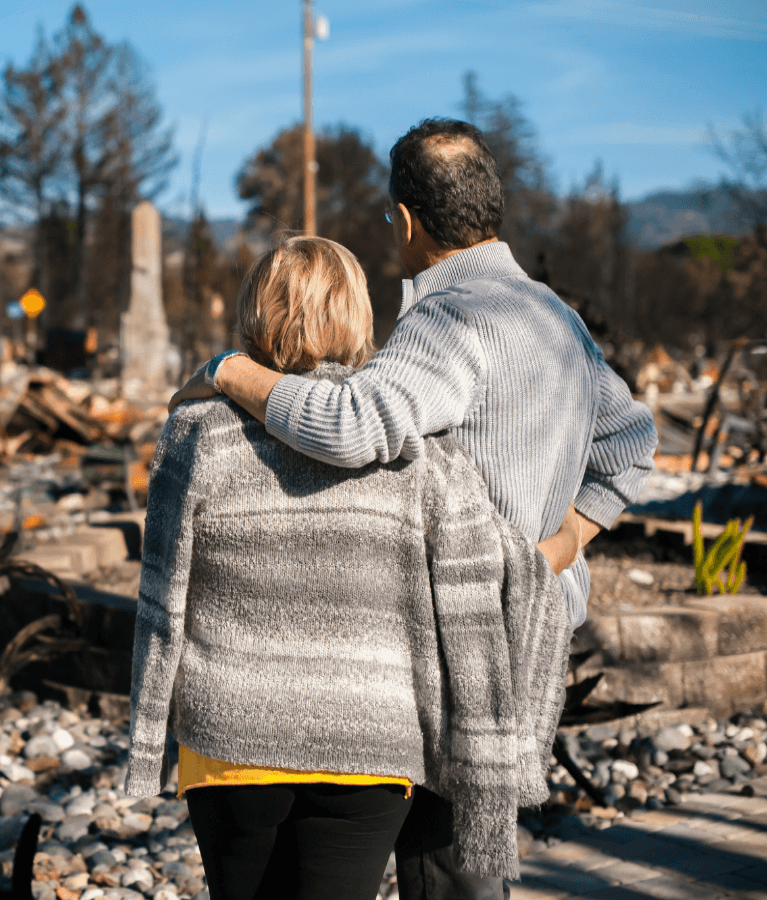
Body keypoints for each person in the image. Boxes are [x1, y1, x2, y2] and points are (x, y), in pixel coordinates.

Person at [171, 119, 659, 899]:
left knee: (446, 876)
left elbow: (350, 425)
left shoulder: (448, 320)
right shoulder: (553, 317)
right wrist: (564, 543)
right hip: (535, 636)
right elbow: (633, 442)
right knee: (471, 871)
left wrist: (228, 371)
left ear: (403, 218)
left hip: (459, 644)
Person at [127, 235, 570, 900]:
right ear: (361, 317)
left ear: (254, 315)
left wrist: (146, 740)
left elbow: (162, 598)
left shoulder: (195, 431)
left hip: (231, 739)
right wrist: (567, 543)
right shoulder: (415, 449)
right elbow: (472, 598)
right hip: (372, 743)